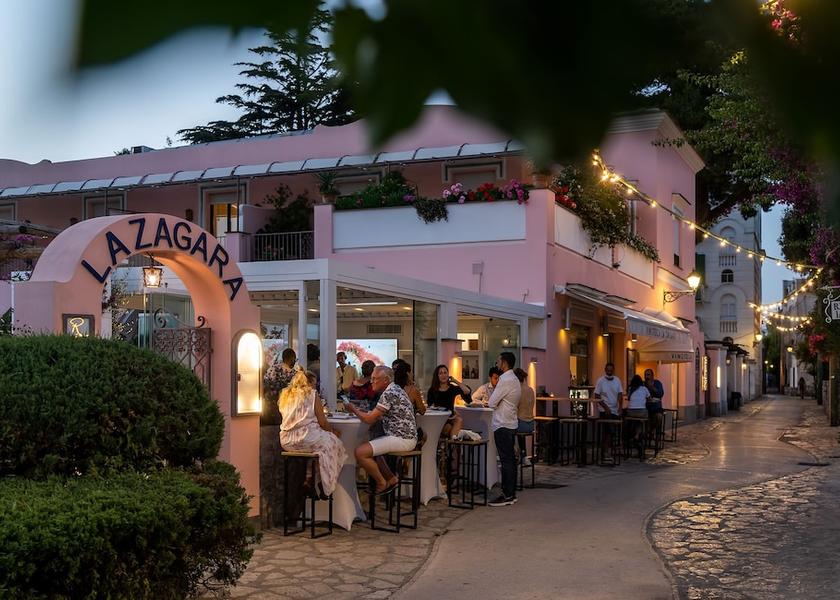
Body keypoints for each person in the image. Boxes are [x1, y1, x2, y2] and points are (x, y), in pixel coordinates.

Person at [346, 366, 418, 495]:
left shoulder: (388, 393)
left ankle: (381, 482)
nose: (371, 381)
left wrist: (354, 409)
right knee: (374, 443)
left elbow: (369, 420)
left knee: (360, 452)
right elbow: (379, 414)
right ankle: (391, 478)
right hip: (406, 437)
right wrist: (364, 412)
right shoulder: (395, 389)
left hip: (402, 439)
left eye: (375, 379)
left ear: (386, 380)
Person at [278, 369, 346, 498]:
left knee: (318, 450)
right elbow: (323, 422)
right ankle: (324, 484)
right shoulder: (312, 394)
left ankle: (309, 479)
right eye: (314, 384)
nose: (315, 387)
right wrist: (333, 432)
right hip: (306, 437)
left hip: (287, 441)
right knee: (333, 443)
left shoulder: (285, 395)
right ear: (309, 383)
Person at [487, 352, 521, 506]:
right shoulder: (514, 379)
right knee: (510, 460)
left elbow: (491, 402)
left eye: (498, 360)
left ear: (504, 362)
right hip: (510, 422)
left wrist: (497, 400)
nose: (497, 363)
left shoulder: (505, 380)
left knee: (506, 460)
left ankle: (507, 494)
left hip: (502, 423)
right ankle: (511, 493)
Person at [427, 364, 471, 438]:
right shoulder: (432, 390)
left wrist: (455, 381)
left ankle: (453, 441)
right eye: (440, 373)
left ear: (448, 375)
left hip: (451, 418)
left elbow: (467, 391)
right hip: (439, 418)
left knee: (459, 420)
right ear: (437, 376)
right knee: (448, 428)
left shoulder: (452, 388)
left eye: (445, 372)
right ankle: (453, 441)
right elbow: (430, 407)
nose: (443, 375)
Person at [262, 347, 296, 425]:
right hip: (286, 409)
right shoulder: (293, 374)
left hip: (269, 407)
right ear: (292, 358)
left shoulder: (272, 369)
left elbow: (264, 384)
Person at [514, 367, 535, 465]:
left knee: (507, 428)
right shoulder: (531, 390)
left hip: (521, 424)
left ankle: (515, 454)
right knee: (517, 428)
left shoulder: (518, 391)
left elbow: (514, 408)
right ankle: (523, 455)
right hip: (531, 424)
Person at [626, 374, 650, 456]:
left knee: (636, 420)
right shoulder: (644, 388)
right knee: (643, 420)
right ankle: (637, 436)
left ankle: (633, 436)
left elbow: (628, 398)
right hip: (641, 412)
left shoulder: (630, 389)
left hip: (631, 412)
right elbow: (649, 398)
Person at [644, 368, 665, 442]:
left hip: (656, 407)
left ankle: (652, 430)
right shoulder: (643, 384)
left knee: (659, 417)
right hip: (646, 407)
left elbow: (660, 394)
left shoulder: (657, 383)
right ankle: (646, 433)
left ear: (652, 376)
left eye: (648, 375)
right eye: (645, 375)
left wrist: (651, 387)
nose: (647, 377)